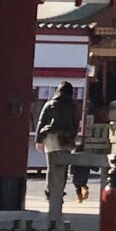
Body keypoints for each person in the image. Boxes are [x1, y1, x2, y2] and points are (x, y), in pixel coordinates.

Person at [36, 81, 83, 217]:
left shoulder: (50, 104)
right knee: (63, 167)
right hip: (67, 137)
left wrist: (38, 139)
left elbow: (41, 121)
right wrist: (73, 137)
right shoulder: (73, 106)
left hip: (51, 136)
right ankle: (60, 192)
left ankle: (50, 192)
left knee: (52, 166)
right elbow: (76, 123)